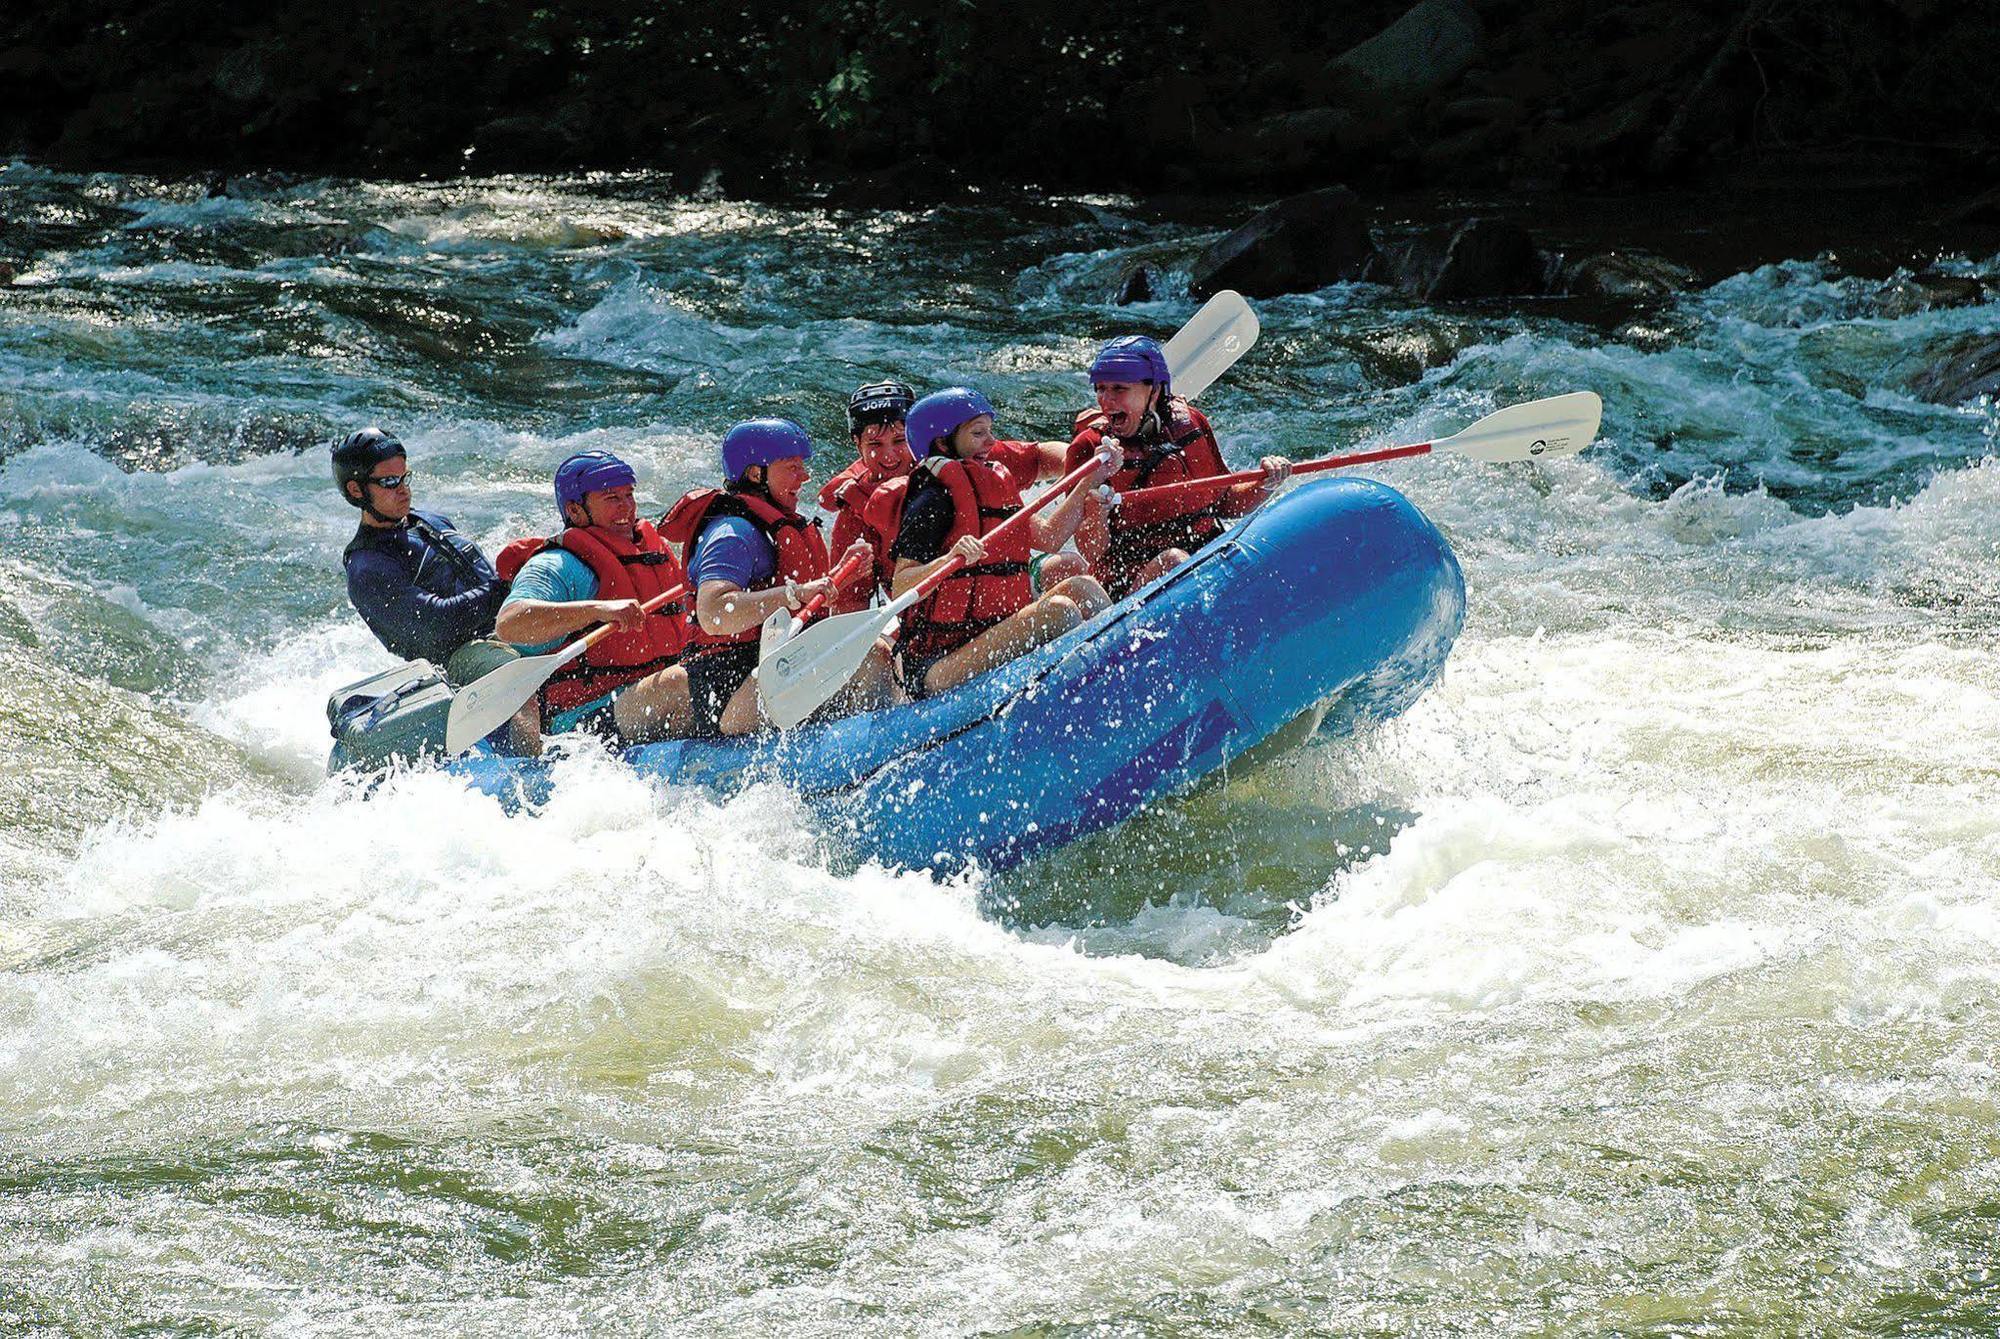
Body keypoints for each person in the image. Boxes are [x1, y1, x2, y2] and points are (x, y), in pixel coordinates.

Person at [888, 387, 1118, 700]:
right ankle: (1091, 696)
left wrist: (1090, 479)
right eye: (978, 433)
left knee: (1084, 589)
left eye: (990, 431)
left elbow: (1050, 536)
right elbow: (901, 586)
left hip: (991, 632)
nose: (992, 442)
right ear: (943, 442)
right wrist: (949, 559)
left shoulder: (992, 481)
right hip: (938, 664)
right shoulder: (931, 497)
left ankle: (1120, 675)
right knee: (1059, 611)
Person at [661, 418, 884, 736]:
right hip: (727, 688)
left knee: (873, 646)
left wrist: (839, 578)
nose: (805, 476)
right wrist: (795, 594)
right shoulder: (732, 533)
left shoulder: (776, 525)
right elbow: (714, 614)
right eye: (793, 467)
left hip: (774, 666)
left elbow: (789, 598)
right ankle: (877, 743)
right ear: (756, 473)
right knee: (871, 655)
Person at [492, 450, 695, 748]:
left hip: (643, 697)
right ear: (575, 511)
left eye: (629, 495)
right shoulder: (558, 565)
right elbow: (509, 624)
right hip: (582, 719)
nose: (627, 507)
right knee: (682, 683)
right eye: (612, 498)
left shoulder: (653, 554)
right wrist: (597, 610)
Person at [1066, 335, 1292, 597]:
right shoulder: (1089, 450)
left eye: (1119, 388)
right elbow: (1091, 550)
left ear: (1155, 391)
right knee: (1173, 561)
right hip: (1128, 591)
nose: (1106, 400)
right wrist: (1098, 513)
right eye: (1100, 388)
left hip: (1207, 561)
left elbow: (1227, 503)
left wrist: (1265, 484)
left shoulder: (1190, 424)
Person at [334, 427, 510, 668]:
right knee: (513, 670)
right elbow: (437, 623)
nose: (403, 489)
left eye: (404, 478)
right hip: (460, 659)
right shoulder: (367, 567)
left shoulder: (430, 522)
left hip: (507, 624)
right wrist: (503, 588)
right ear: (356, 490)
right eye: (389, 482)